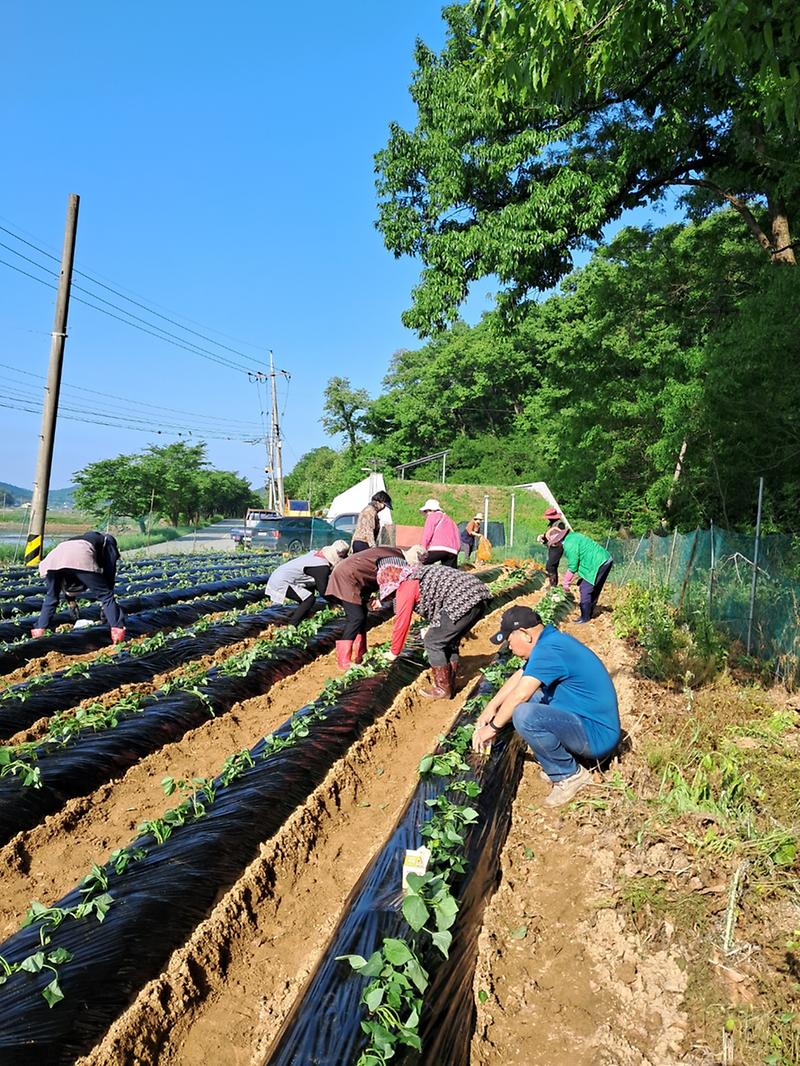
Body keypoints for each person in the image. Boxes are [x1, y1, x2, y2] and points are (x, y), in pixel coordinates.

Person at [472, 605, 621, 807]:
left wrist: (492, 728)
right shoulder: (551, 642)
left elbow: (520, 694)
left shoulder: (549, 650)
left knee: (524, 714)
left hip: (597, 736)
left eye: (509, 642)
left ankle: (569, 776)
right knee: (533, 700)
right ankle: (559, 762)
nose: (510, 649)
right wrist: (492, 706)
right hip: (589, 722)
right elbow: (520, 676)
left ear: (525, 634)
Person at [377, 557, 491, 699]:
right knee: (449, 640)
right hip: (477, 595)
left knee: (433, 641)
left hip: (463, 598)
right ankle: (450, 682)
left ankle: (443, 688)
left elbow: (402, 622)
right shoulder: (417, 575)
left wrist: (394, 652)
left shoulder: (406, 586)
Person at [32, 531, 126, 642]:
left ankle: (39, 632)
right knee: (106, 596)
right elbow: (109, 571)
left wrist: (70, 601)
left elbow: (69, 574)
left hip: (52, 560)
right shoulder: (108, 541)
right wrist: (106, 602)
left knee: (51, 597)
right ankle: (117, 633)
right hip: (80, 556)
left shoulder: (77, 540)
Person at [325, 545, 398, 668]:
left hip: (357, 579)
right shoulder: (397, 561)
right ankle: (343, 660)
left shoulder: (393, 553)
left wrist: (372, 597)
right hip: (347, 578)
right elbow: (388, 582)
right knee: (356, 618)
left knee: (362, 616)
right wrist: (380, 599)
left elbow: (370, 573)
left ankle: (360, 653)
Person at [265, 540, 349, 624]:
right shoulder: (322, 567)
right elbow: (323, 592)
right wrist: (343, 603)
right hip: (282, 581)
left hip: (281, 574)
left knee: (308, 593)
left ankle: (304, 615)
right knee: (309, 600)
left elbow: (317, 584)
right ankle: (293, 624)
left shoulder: (317, 555)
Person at [561, 529, 613, 623]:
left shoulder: (569, 545)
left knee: (585, 589)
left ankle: (585, 617)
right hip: (604, 559)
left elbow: (573, 566)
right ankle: (589, 613)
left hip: (597, 563)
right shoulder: (573, 536)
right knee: (594, 587)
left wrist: (566, 582)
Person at [419, 499, 460, 568]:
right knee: (449, 574)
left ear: (431, 510)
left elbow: (427, 535)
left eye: (426, 511)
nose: (426, 514)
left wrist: (422, 549)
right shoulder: (450, 520)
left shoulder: (432, 516)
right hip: (453, 551)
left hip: (437, 548)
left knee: (421, 564)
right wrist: (456, 551)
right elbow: (457, 537)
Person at [537, 506, 569, 587]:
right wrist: (543, 538)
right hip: (553, 547)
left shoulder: (560, 524)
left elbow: (556, 535)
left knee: (550, 565)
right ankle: (553, 584)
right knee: (552, 566)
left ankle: (553, 584)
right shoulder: (552, 523)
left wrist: (544, 536)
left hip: (557, 547)